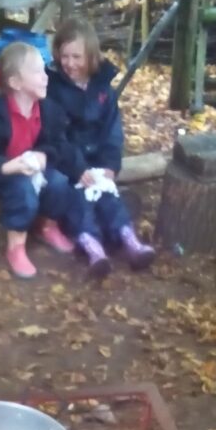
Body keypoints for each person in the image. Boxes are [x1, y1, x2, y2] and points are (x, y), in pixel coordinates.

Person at [0, 42, 111, 280]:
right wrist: (5, 166)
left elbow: (58, 143)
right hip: (2, 175)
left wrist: (44, 155)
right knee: (22, 190)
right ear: (16, 83)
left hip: (33, 169)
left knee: (59, 183)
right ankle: (16, 244)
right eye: (38, 72)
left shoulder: (48, 110)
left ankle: (46, 225)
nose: (46, 77)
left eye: (45, 70)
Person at [47, 18, 154, 269]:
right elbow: (55, 136)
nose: (70, 63)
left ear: (91, 57)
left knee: (109, 197)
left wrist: (110, 164)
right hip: (70, 163)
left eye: (77, 57)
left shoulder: (104, 89)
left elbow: (112, 131)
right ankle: (93, 248)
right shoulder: (53, 89)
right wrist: (77, 168)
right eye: (65, 56)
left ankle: (130, 240)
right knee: (80, 202)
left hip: (97, 161)